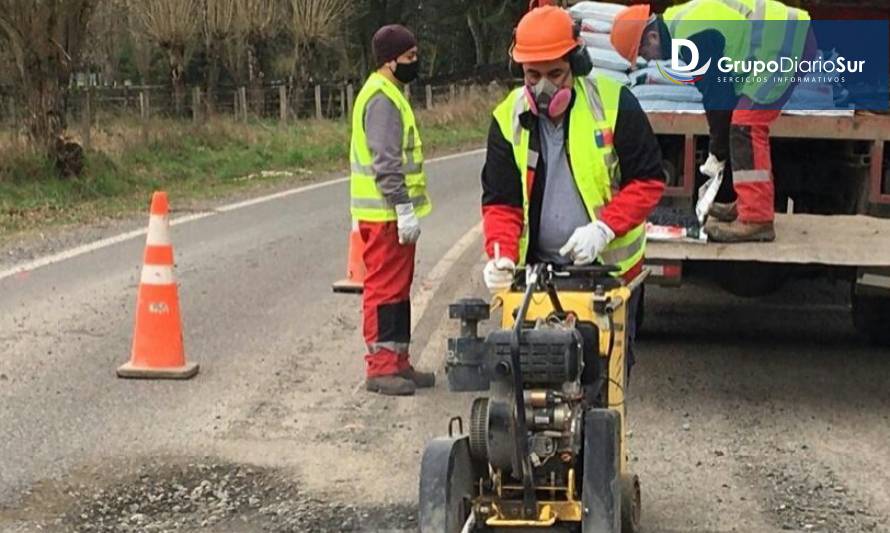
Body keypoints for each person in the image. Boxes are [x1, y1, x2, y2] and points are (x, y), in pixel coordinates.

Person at [481, 6, 665, 372]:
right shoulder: (507, 119)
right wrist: (501, 253)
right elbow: (501, 202)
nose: (544, 87)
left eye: (555, 74)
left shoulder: (614, 104)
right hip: (536, 277)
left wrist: (604, 228)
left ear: (576, 64)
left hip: (608, 276)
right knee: (530, 380)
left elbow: (647, 180)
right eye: (533, 75)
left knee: (602, 385)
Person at [612, 1, 815, 242]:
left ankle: (756, 219)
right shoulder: (681, 24)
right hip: (788, 36)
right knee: (742, 125)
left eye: (645, 54)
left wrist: (717, 150)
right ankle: (749, 205)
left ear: (653, 37)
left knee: (745, 127)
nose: (651, 60)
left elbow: (717, 97)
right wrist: (720, 143)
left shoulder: (690, 38)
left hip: (785, 43)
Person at [350, 24, 434, 396]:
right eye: (410, 57)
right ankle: (381, 367)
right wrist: (402, 207)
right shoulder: (383, 99)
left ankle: (398, 361)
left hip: (391, 216)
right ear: (389, 60)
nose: (415, 63)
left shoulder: (391, 92)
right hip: (385, 215)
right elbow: (385, 162)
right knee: (385, 291)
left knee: (399, 291)